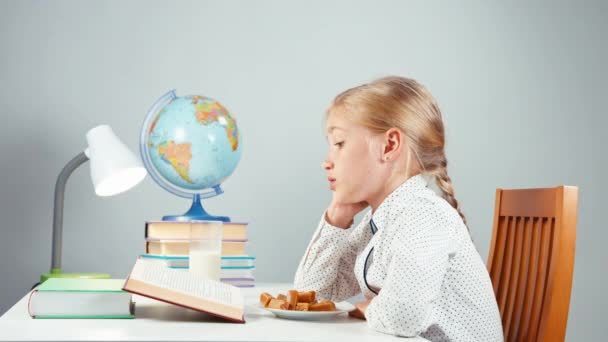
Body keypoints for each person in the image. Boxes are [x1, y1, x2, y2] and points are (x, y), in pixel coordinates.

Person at [293, 76, 503, 341]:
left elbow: (403, 317)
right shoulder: (382, 220)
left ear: (389, 145)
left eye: (339, 143)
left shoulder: (422, 215)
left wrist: (367, 307)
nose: (327, 161)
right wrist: (338, 216)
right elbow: (312, 293)